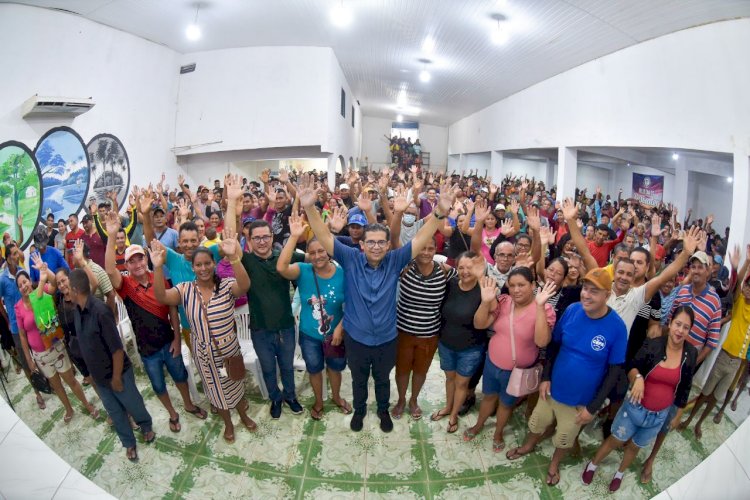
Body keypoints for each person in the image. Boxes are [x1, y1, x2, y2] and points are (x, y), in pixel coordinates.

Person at [299, 173, 455, 433]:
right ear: (362, 245)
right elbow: (324, 237)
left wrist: (439, 212)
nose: (375, 247)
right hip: (357, 338)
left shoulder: (395, 261)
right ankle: (359, 412)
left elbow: (420, 238)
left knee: (383, 380)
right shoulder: (350, 258)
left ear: (386, 245)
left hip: (386, 339)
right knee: (359, 381)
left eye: (381, 242)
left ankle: (383, 411)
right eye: (370, 242)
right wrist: (308, 208)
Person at [506, 268, 627, 487]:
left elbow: (614, 372)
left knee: (564, 437)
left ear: (607, 295)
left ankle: (554, 464)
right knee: (536, 422)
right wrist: (545, 377)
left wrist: (594, 406)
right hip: (552, 389)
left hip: (579, 401)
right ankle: (527, 446)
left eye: (594, 292)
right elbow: (554, 345)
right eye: (585, 289)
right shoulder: (572, 310)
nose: (586, 295)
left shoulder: (617, 327)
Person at [104, 212, 208, 433]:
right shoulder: (126, 287)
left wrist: (178, 339)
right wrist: (112, 236)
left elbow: (172, 309)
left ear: (146, 258)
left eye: (140, 258)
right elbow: (110, 270)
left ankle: (188, 405)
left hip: (169, 342)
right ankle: (172, 413)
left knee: (180, 376)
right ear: (128, 266)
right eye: (131, 261)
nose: (137, 263)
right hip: (147, 350)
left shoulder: (160, 278)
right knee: (159, 385)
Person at [151, 232, 256, 444]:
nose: (203, 268)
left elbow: (244, 286)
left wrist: (234, 257)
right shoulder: (185, 290)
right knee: (216, 393)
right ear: (193, 268)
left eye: (207, 263)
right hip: (203, 352)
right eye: (198, 265)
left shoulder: (225, 286)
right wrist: (157, 267)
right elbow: (161, 296)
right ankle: (228, 424)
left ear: (214, 264)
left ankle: (244, 416)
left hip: (229, 349)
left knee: (235, 384)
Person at [582, 306, 698, 492]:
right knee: (616, 439)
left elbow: (685, 386)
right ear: (670, 322)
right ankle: (593, 464)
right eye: (678, 324)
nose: (680, 331)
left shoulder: (690, 353)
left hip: (658, 415)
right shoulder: (653, 345)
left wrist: (678, 414)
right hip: (635, 407)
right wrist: (638, 378)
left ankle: (620, 473)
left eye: (686, 327)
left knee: (635, 447)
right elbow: (631, 366)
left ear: (690, 330)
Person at [464, 269, 557, 451]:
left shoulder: (545, 308)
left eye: (521, 285)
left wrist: (539, 307)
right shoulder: (505, 302)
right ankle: (479, 424)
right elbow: (479, 324)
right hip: (492, 363)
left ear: (532, 285)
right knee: (488, 397)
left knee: (506, 404)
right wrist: (485, 301)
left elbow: (541, 341)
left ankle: (498, 432)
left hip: (516, 371)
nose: (516, 290)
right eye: (512, 285)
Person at [70, 268, 155, 461]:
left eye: (68, 287)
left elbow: (117, 349)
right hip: (99, 377)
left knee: (132, 403)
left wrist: (116, 377)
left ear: (75, 290)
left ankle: (146, 425)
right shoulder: (77, 311)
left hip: (119, 373)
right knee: (115, 413)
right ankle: (129, 442)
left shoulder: (100, 311)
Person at [276, 212, 351, 420]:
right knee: (315, 370)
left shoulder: (343, 273)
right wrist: (293, 237)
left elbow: (353, 305)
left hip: (336, 335)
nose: (318, 256)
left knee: (335, 370)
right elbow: (281, 267)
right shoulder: (303, 270)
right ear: (308, 254)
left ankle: (336, 397)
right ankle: (319, 401)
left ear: (329, 252)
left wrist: (341, 327)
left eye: (322, 251)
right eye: (313, 252)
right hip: (309, 336)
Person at [678, 244, 750, 437]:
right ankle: (683, 418)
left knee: (710, 396)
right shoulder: (684, 291)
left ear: (709, 270)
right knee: (702, 392)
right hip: (717, 355)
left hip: (730, 360)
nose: (748, 289)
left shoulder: (714, 299)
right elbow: (736, 285)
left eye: (701, 266)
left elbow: (711, 339)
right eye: (693, 266)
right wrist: (743, 264)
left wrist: (697, 358)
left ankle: (693, 420)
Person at [15, 261, 97, 424]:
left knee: (71, 381)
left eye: (25, 282)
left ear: (30, 281)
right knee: (57, 386)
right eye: (20, 285)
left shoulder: (44, 290)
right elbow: (22, 335)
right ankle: (68, 409)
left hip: (56, 347)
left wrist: (44, 273)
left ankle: (87, 405)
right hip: (40, 355)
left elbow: (54, 283)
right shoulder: (18, 308)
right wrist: (29, 359)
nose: (24, 286)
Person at [392, 237, 456, 420]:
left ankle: (414, 400)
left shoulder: (444, 271)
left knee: (421, 370)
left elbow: (466, 281)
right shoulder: (405, 267)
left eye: (430, 248)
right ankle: (401, 400)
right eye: (422, 248)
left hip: (429, 333)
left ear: (436, 250)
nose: (426, 252)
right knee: (402, 369)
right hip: (403, 331)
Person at [430, 251, 489, 433]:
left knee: (462, 383)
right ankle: (448, 406)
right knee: (449, 379)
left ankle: (454, 413)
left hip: (470, 348)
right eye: (461, 267)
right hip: (446, 343)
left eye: (469, 267)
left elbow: (493, 308)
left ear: (478, 269)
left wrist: (480, 279)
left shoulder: (483, 288)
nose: (464, 271)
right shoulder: (451, 284)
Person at [0, 243, 44, 408]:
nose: (16, 256)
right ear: (7, 258)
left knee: (38, 353)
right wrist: (7, 318)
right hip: (16, 327)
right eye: (12, 254)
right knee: (26, 361)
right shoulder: (2, 280)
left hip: (31, 320)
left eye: (17, 253)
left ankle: (47, 381)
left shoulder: (21, 272)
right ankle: (37, 391)